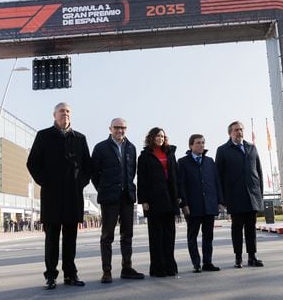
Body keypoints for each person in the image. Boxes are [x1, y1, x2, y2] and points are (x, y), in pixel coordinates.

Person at [27, 102, 91, 289]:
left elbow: (88, 166)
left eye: (68, 111)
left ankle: (71, 275)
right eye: (62, 111)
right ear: (54, 115)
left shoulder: (80, 138)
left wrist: (80, 183)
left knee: (71, 239)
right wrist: (46, 181)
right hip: (51, 196)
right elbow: (32, 163)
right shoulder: (43, 136)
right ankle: (51, 276)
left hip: (73, 196)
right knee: (52, 239)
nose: (65, 114)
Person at [91, 118, 145, 284]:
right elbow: (94, 173)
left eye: (123, 128)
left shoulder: (131, 148)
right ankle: (106, 271)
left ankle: (127, 268)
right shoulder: (101, 147)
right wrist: (103, 188)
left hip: (127, 197)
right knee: (107, 235)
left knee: (127, 234)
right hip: (109, 197)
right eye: (117, 128)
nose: (120, 131)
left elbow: (132, 172)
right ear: (110, 128)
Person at [215, 121, 264, 268]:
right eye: (236, 130)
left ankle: (252, 257)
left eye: (241, 129)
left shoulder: (251, 148)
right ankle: (238, 258)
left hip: (252, 196)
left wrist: (259, 194)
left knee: (251, 228)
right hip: (234, 196)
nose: (239, 132)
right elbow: (219, 176)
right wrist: (222, 198)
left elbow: (259, 172)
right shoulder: (223, 150)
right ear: (230, 133)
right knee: (237, 228)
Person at [177, 134, 224, 273]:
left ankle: (207, 262)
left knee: (208, 235)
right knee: (192, 235)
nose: (201, 145)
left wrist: (220, 201)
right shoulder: (183, 162)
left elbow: (217, 182)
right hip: (192, 206)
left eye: (203, 143)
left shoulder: (210, 161)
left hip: (209, 204)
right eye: (198, 143)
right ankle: (196, 263)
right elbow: (181, 185)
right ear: (191, 145)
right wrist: (184, 204)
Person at [137, 127, 179, 277]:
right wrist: (143, 200)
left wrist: (178, 196)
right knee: (156, 236)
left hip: (170, 199)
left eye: (162, 136)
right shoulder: (144, 156)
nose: (160, 138)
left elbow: (176, 176)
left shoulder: (170, 153)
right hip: (154, 200)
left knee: (169, 235)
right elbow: (141, 179)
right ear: (151, 138)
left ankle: (170, 266)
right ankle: (158, 268)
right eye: (157, 136)